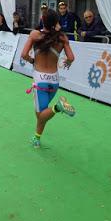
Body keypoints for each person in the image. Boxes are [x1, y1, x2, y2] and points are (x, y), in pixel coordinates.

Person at [21, 9, 76, 148]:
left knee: (41, 114)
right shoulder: (62, 38)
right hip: (54, 81)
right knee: (43, 112)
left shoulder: (35, 34)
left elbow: (23, 54)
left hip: (40, 81)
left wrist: (33, 61)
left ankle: (58, 107)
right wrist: (68, 63)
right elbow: (71, 58)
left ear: (43, 21)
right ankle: (37, 138)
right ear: (56, 22)